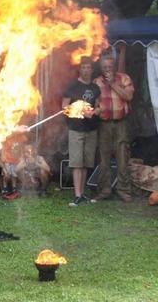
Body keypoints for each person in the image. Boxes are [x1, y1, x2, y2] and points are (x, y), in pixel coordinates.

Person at [92, 53, 135, 202]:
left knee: (122, 157)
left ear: (114, 67)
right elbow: (94, 104)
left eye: (110, 67)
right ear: (101, 68)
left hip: (121, 123)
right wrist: (94, 109)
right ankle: (104, 190)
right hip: (104, 124)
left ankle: (124, 190)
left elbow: (129, 97)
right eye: (104, 67)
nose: (107, 70)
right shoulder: (96, 82)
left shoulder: (124, 78)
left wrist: (113, 85)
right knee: (104, 159)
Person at [62, 56, 100, 207]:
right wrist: (81, 112)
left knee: (86, 162)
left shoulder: (95, 88)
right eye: (83, 67)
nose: (86, 70)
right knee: (77, 163)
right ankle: (77, 195)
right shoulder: (72, 87)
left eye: (88, 67)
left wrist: (96, 111)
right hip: (76, 129)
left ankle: (82, 193)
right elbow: (64, 107)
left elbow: (98, 105)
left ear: (91, 69)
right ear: (80, 69)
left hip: (91, 129)